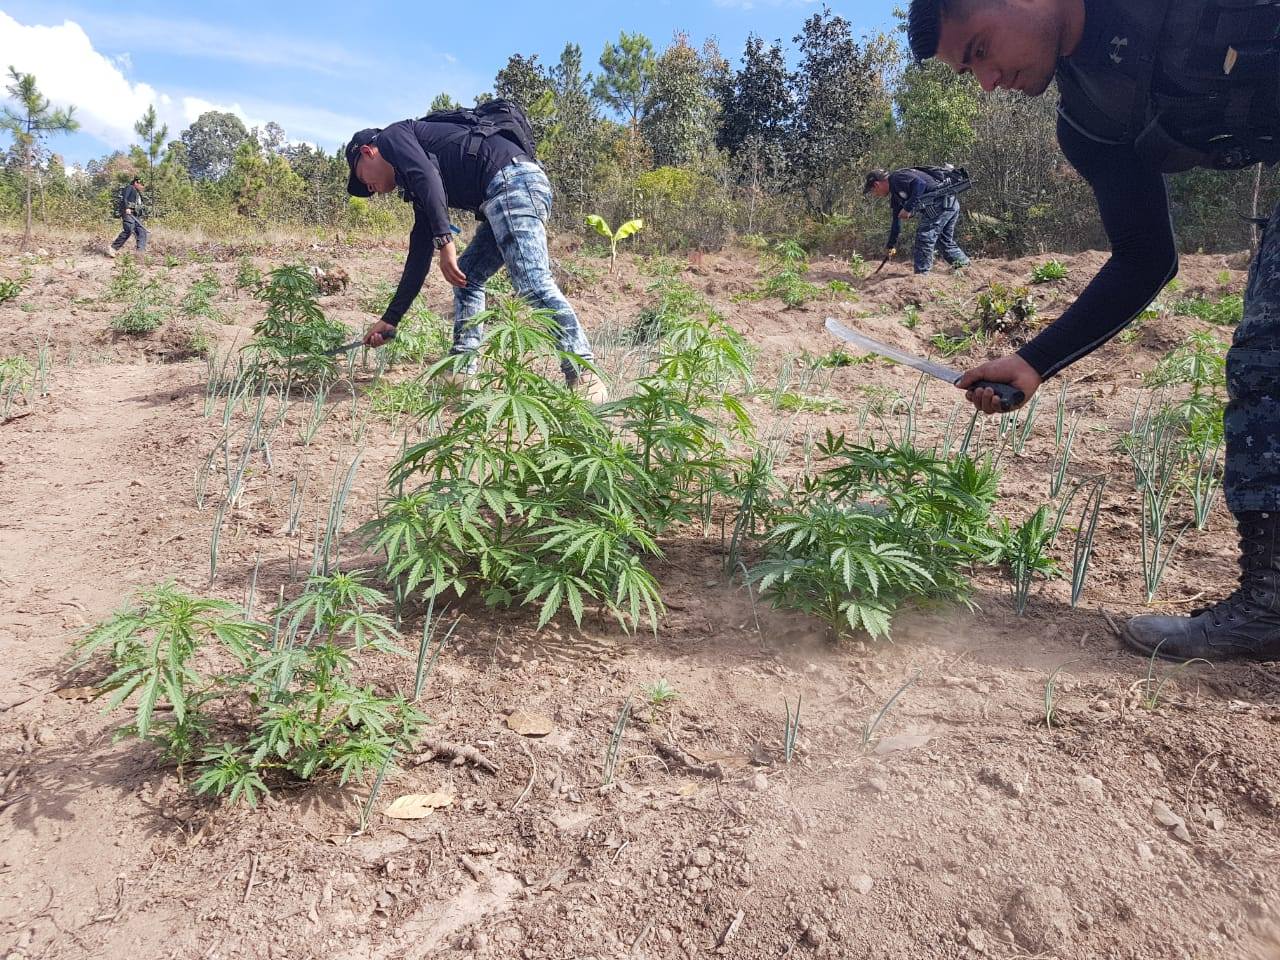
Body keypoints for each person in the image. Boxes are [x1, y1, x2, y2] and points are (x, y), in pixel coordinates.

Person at [906, 0, 1280, 662]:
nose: (989, 83)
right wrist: (1033, 360)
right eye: (971, 73)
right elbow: (1146, 259)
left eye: (981, 50)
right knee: (1265, 363)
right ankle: (1271, 603)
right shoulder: (1090, 121)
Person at [345, 107, 606, 401]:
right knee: (467, 277)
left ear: (368, 151)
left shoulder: (394, 137)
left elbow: (427, 175)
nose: (371, 189)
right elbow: (419, 251)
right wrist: (391, 318)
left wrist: (445, 242)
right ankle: (460, 372)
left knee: (531, 282)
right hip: (505, 190)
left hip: (513, 182)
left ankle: (584, 375)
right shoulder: (416, 184)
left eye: (363, 179)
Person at [863, 167, 970, 274]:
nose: (875, 194)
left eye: (873, 191)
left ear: (877, 184)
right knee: (943, 241)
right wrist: (890, 246)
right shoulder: (896, 196)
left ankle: (921, 275)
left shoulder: (896, 178)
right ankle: (965, 267)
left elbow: (920, 184)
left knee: (924, 236)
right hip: (950, 204)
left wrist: (908, 208)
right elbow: (896, 223)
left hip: (943, 203)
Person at [106, 177, 147, 258]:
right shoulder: (130, 188)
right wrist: (127, 207)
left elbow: (138, 205)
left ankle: (140, 253)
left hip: (136, 215)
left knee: (142, 231)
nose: (143, 187)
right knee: (128, 229)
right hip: (128, 213)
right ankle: (113, 248)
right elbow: (124, 198)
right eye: (141, 184)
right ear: (136, 182)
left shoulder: (138, 193)